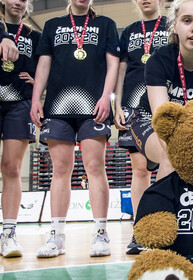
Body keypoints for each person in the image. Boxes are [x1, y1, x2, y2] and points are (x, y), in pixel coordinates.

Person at [127, 0, 193, 253]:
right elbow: (162, 120)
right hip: (148, 120)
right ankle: (149, 229)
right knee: (170, 156)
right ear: (175, 26)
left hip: (192, 131)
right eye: (187, 21)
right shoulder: (159, 60)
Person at [30, 0, 120, 258]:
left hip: (95, 106)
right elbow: (44, 65)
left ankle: (101, 233)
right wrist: (37, 99)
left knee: (95, 167)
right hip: (57, 106)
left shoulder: (106, 24)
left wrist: (106, 96)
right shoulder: (52, 25)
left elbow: (113, 64)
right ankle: (56, 237)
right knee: (60, 169)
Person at [113, 0, 169, 254]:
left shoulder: (171, 25)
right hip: (134, 107)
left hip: (166, 103)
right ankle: (141, 229)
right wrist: (117, 105)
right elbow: (122, 70)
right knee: (140, 169)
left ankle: (168, 226)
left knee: (169, 166)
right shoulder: (129, 31)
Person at [0, 0, 39, 258]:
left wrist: (39, 81)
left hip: (19, 104)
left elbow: (48, 66)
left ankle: (9, 234)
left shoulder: (35, 35)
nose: (18, 1)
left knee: (11, 168)